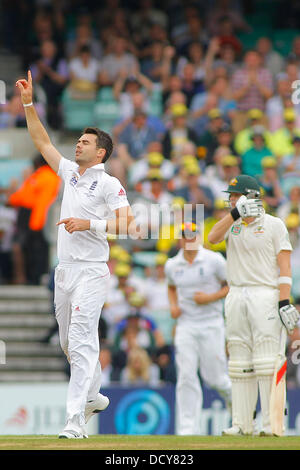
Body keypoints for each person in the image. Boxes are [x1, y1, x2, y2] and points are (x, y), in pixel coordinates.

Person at [16, 71, 136, 439]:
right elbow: (42, 141)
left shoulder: (109, 182)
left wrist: (90, 225)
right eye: (78, 141)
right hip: (64, 271)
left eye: (84, 142)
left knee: (83, 340)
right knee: (71, 344)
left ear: (100, 152)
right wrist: (28, 104)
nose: (77, 145)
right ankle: (94, 395)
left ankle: (74, 421)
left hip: (92, 271)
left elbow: (128, 224)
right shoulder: (68, 172)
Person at [208, 174, 300, 435]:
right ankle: (241, 424)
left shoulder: (274, 225)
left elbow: (284, 267)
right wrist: (235, 213)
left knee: (267, 360)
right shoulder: (232, 224)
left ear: (252, 196)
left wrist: (284, 301)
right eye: (230, 197)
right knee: (238, 360)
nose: (231, 200)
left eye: (236, 196)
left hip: (265, 294)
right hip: (236, 294)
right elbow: (213, 237)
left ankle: (272, 425)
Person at [164, 222, 232, 435]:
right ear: (180, 240)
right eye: (185, 236)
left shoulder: (214, 260)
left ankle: (240, 410)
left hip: (211, 324)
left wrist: (209, 298)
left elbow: (232, 284)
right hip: (186, 325)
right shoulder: (172, 265)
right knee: (186, 374)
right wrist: (173, 306)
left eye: (193, 236)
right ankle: (187, 428)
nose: (189, 240)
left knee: (215, 378)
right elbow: (171, 287)